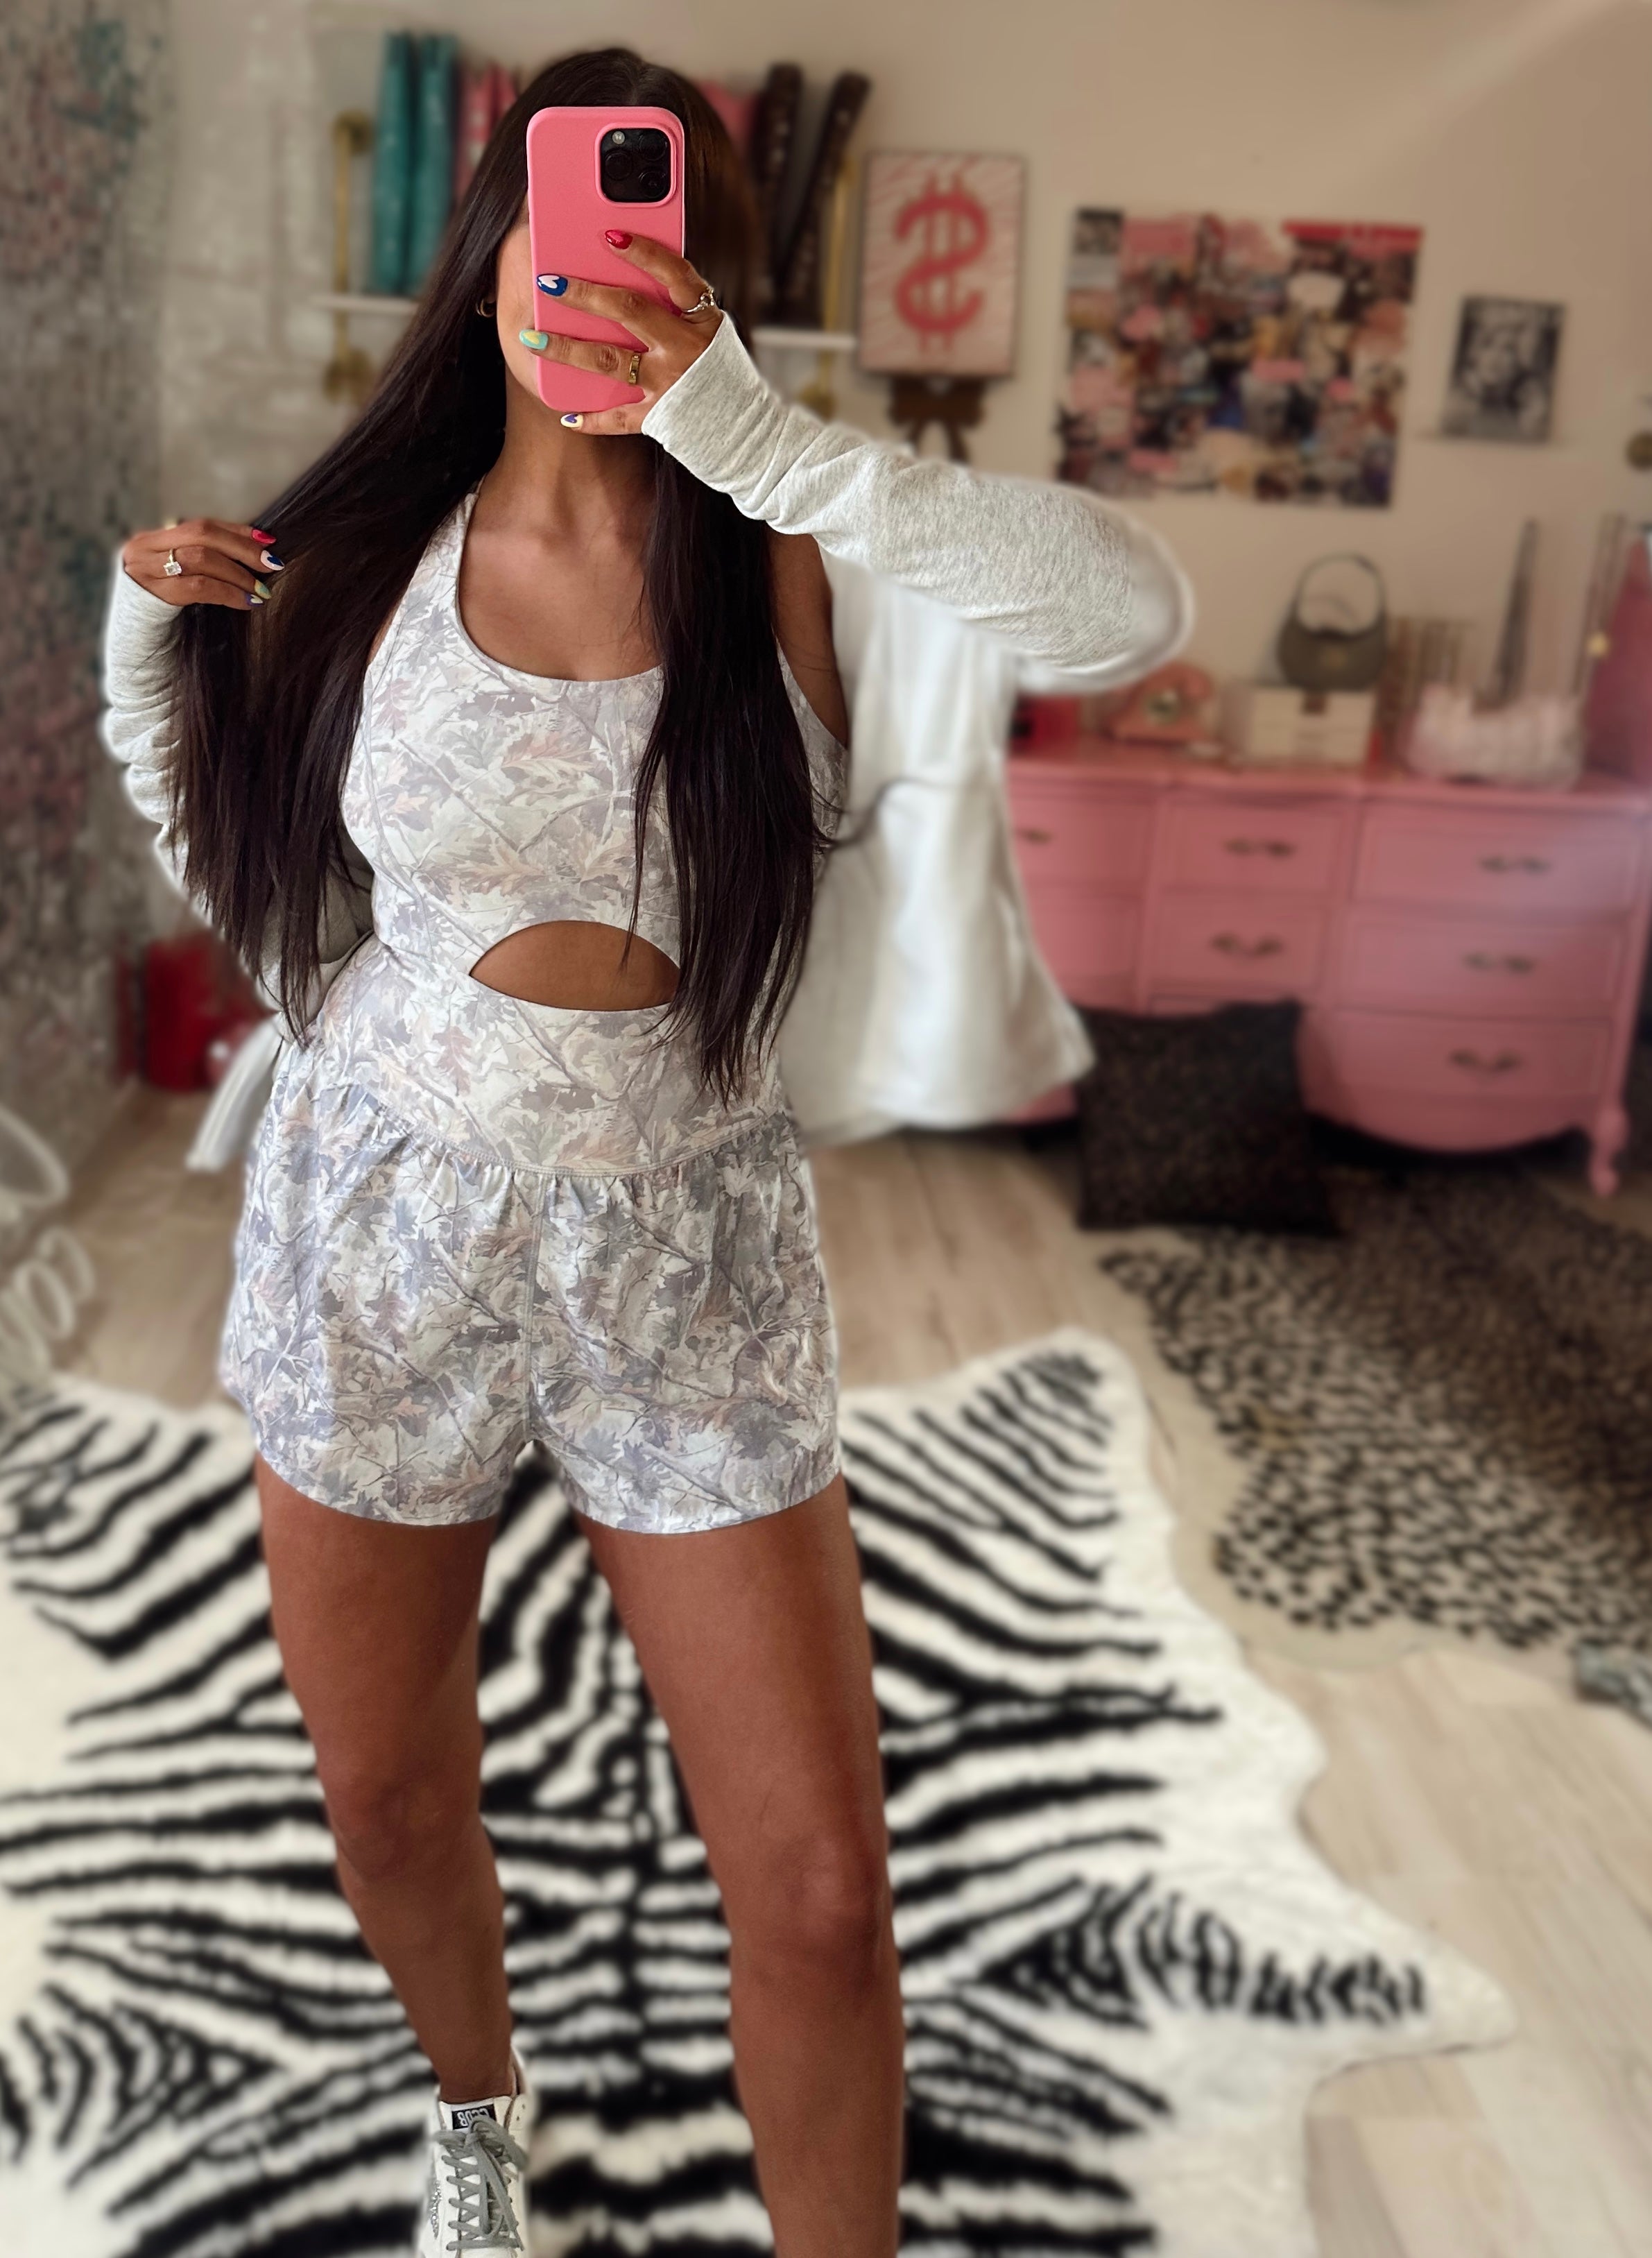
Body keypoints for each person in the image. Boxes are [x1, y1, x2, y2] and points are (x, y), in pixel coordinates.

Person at [102, 47, 1189, 2258]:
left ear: (712, 280)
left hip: (689, 1257)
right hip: (380, 1225)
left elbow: (1128, 609)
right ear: (489, 258)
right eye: (566, 222)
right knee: (384, 1796)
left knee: (821, 1889)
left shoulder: (791, 546)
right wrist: (149, 642)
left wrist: (762, 443)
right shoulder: (366, 559)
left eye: (655, 229)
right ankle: (474, 2125)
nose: (599, 269)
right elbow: (228, 849)